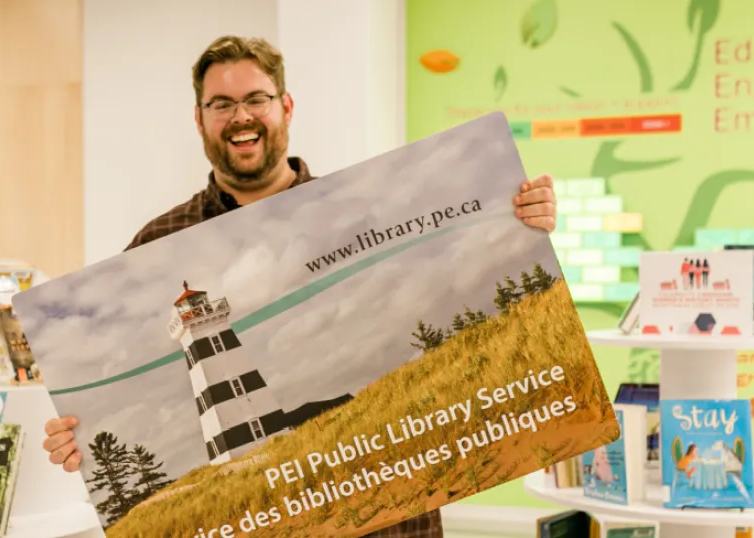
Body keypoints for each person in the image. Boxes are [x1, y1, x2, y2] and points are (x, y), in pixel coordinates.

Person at [42, 35, 559, 537]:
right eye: (221, 104)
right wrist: (77, 435)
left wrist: (516, 220)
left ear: (286, 106)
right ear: (198, 120)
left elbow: (462, 279)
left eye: (256, 99)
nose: (241, 116)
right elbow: (116, 387)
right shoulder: (156, 244)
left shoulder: (363, 211)